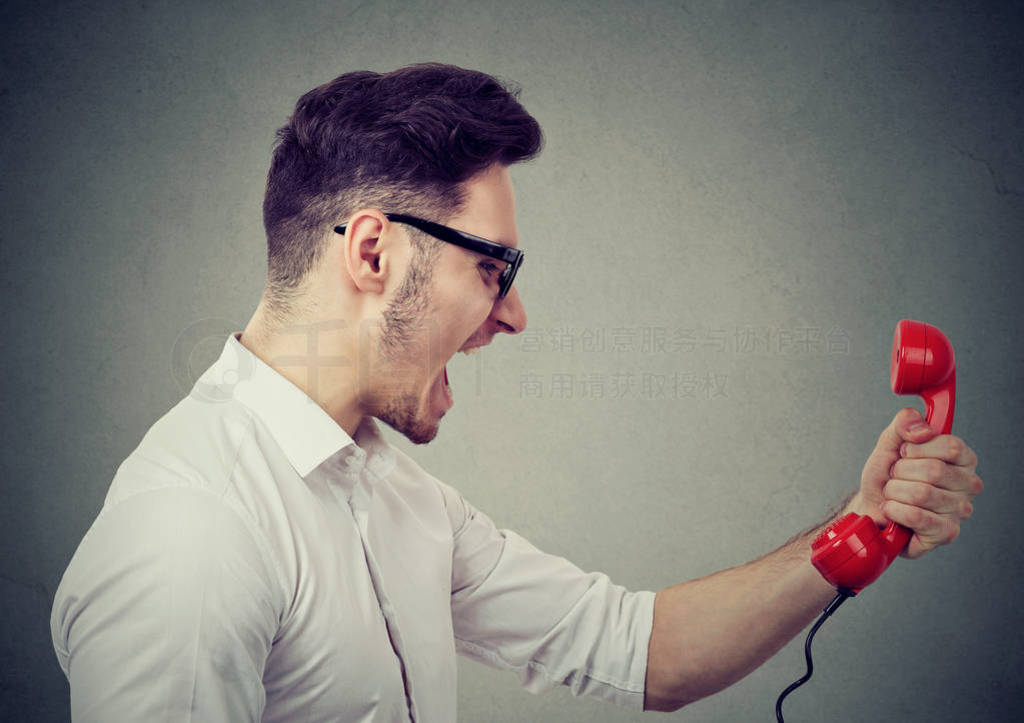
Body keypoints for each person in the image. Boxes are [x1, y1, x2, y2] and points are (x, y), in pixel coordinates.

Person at [50, 63, 982, 722]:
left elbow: (640, 649)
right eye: (496, 267)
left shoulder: (391, 493)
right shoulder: (194, 530)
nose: (515, 313)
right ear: (374, 251)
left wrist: (858, 526)